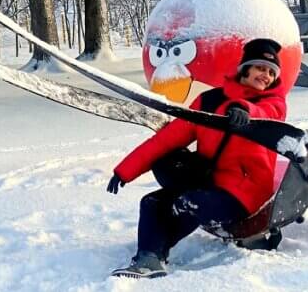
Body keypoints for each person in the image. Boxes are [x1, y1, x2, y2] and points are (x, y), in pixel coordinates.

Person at [107, 38, 288, 279]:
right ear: (245, 67)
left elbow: (268, 113)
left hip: (245, 194)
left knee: (189, 202)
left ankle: (158, 248)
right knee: (151, 202)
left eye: (271, 72)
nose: (265, 75)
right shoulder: (209, 101)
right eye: (260, 68)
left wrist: (246, 111)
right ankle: (148, 258)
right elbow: (168, 139)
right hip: (209, 182)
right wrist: (125, 170)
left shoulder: (273, 103)